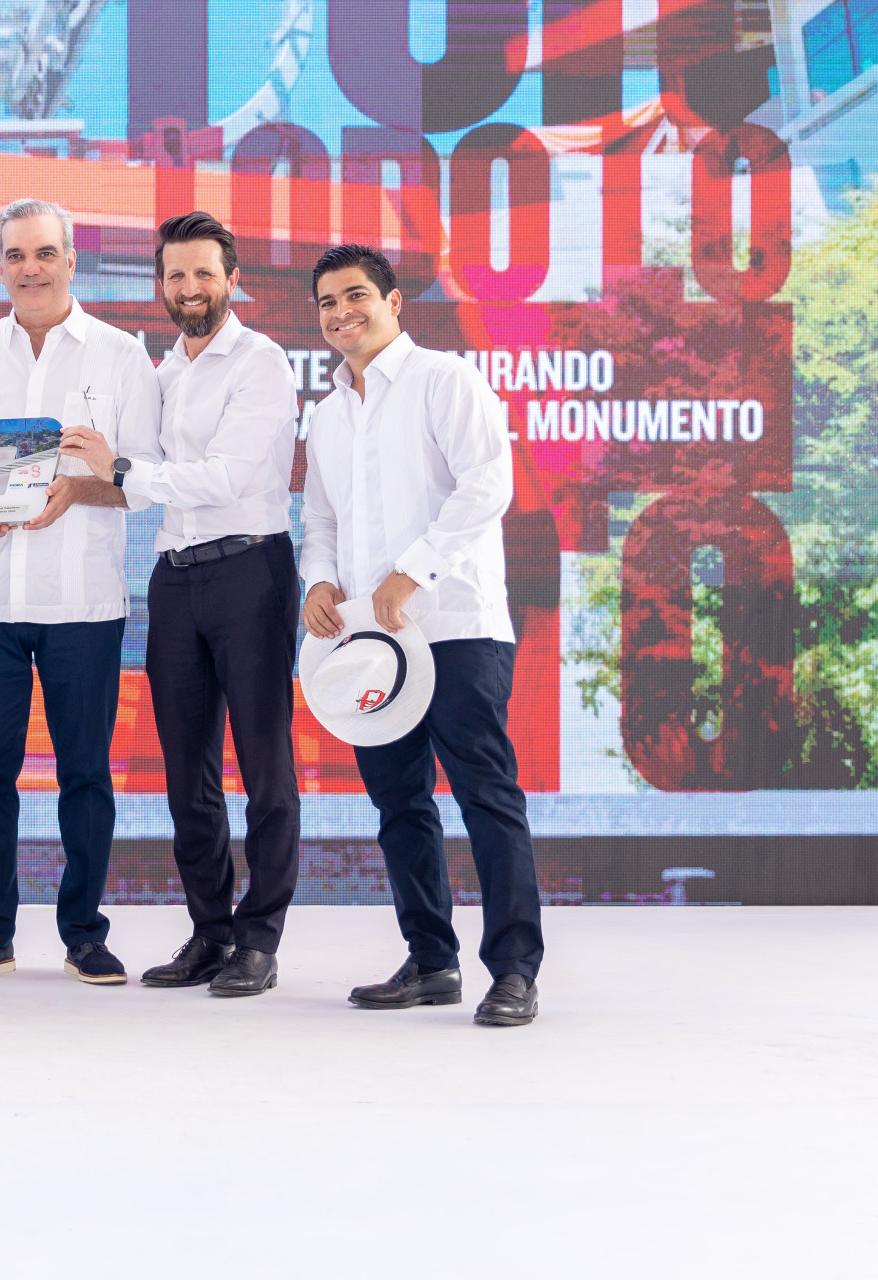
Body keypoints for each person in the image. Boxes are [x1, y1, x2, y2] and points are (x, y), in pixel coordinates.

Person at [299, 244, 543, 1027]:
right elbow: (320, 519)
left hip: (456, 625)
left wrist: (413, 572)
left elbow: (488, 484)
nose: (343, 312)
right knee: (399, 803)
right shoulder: (327, 415)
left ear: (394, 301)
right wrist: (319, 582)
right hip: (372, 644)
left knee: (485, 796)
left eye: (357, 295)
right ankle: (431, 961)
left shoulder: (446, 379)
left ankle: (514, 971)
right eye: (328, 302)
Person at [60, 211, 300, 998]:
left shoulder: (261, 363)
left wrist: (119, 466)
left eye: (203, 273)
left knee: (264, 765)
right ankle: (210, 930)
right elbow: (130, 484)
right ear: (160, 285)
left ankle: (259, 941)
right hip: (175, 578)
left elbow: (223, 478)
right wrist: (22, 465)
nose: (189, 287)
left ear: (233, 280)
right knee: (185, 769)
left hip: (251, 571)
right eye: (175, 275)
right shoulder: (159, 375)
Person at [0, 198, 161, 985]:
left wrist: (79, 486)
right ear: (0, 266)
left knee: (84, 776)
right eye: (16, 255)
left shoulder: (121, 357)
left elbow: (144, 483)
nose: (31, 269)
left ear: (71, 260)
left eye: (45, 253)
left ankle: (85, 935)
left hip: (82, 603)